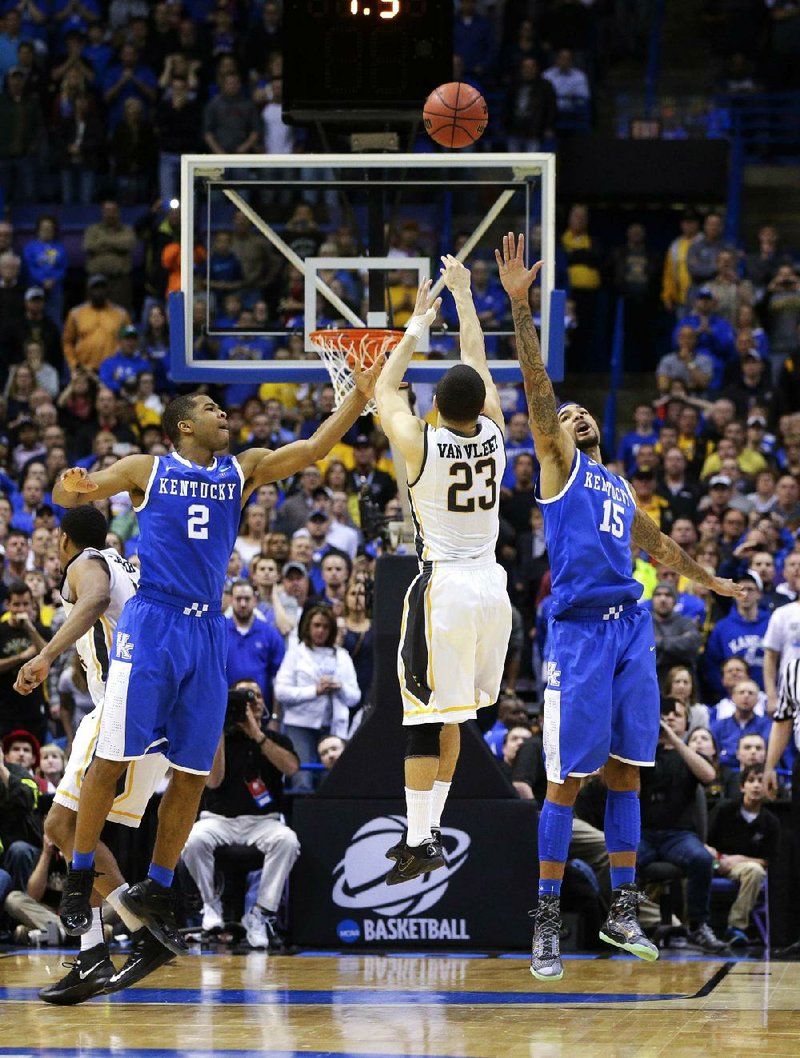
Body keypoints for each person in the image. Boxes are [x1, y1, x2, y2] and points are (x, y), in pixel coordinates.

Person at [51, 360, 384, 956]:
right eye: (210, 409)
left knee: (193, 773)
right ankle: (79, 876)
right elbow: (73, 493)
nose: (223, 414)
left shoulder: (243, 470)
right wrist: (71, 483)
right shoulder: (146, 469)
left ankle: (154, 885)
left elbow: (312, 448)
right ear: (182, 426)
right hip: (153, 623)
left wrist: (358, 398)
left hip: (206, 635)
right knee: (111, 757)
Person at [494, 232, 741, 982]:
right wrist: (520, 308)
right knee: (566, 783)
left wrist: (710, 580)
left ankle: (624, 910)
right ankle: (542, 920)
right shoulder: (560, 468)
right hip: (576, 637)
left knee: (629, 774)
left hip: (633, 630)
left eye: (578, 414)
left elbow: (660, 546)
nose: (572, 416)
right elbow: (538, 388)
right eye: (563, 417)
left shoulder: (620, 485)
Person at [373, 263, 512, 887]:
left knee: (424, 720)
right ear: (480, 404)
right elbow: (477, 361)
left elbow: (382, 388)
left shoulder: (419, 443)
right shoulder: (497, 433)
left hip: (447, 589)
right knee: (452, 716)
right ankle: (427, 836)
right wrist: (464, 299)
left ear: (434, 405)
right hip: (493, 590)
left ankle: (417, 836)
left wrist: (420, 320)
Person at [14, 505, 174, 1004]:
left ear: (63, 540)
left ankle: (134, 937)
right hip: (152, 713)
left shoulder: (83, 563)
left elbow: (95, 599)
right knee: (70, 829)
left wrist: (43, 655)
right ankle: (96, 952)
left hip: (123, 707)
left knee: (60, 827)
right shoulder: (121, 561)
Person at [181, 680, 299, 949]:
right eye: (243, 697)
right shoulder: (216, 737)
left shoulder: (276, 739)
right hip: (218, 820)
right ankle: (211, 907)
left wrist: (256, 733)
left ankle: (260, 915)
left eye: (256, 696)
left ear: (263, 703)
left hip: (263, 822)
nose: (251, 701)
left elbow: (291, 768)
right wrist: (220, 729)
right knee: (193, 840)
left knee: (288, 840)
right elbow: (212, 781)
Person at [273, 605, 360, 790]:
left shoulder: (342, 657)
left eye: (326, 626)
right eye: (317, 625)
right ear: (308, 627)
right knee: (302, 779)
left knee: (333, 782)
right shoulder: (295, 654)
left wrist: (340, 687)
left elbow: (355, 697)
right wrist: (314, 691)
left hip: (333, 728)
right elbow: (281, 691)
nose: (321, 631)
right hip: (299, 726)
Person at [707, 763, 779, 947]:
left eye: (761, 782)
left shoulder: (771, 822)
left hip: (742, 868)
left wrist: (739, 860)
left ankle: (736, 927)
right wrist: (717, 860)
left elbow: (768, 861)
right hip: (713, 862)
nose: (756, 786)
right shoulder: (724, 810)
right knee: (693, 863)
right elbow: (704, 842)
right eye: (751, 781)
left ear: (768, 788)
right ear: (742, 786)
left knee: (755, 871)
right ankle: (690, 925)